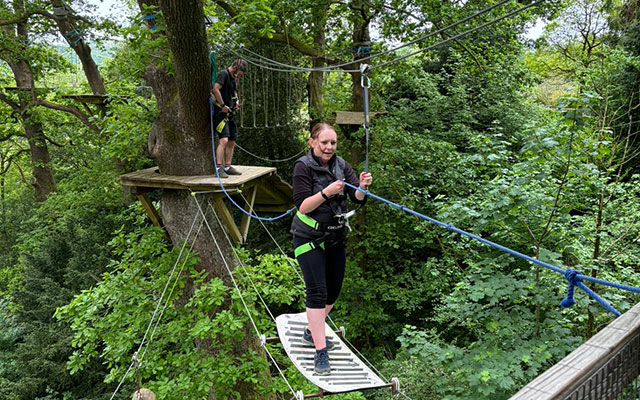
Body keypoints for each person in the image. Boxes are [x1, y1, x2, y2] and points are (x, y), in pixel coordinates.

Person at [290, 123, 373, 375]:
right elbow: (302, 206)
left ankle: (311, 329)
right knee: (317, 292)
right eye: (324, 142)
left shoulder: (341, 165)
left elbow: (358, 199)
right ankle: (320, 351)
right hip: (307, 236)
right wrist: (326, 192)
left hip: (335, 236)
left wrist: (361, 187)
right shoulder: (302, 167)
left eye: (332, 143)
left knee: (333, 292)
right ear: (312, 142)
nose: (328, 147)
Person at [211, 58, 248, 178]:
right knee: (224, 140)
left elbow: (233, 92)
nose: (240, 77)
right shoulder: (224, 74)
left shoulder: (233, 78)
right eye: (240, 74)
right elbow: (215, 89)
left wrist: (236, 102)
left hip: (230, 114)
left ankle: (227, 166)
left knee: (232, 141)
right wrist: (222, 105)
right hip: (220, 114)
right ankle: (218, 168)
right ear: (236, 68)